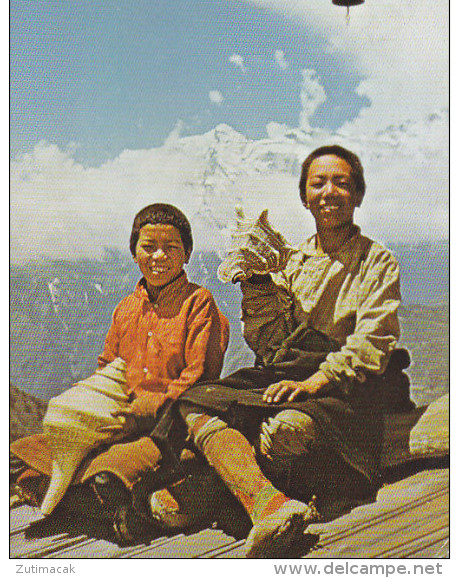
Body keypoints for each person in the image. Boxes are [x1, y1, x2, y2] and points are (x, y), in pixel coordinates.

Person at [148, 145, 413, 558]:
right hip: (289, 373)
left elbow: (373, 340)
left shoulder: (376, 260)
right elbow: (270, 347)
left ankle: (224, 494)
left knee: (282, 430)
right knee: (196, 402)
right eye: (318, 183)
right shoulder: (291, 260)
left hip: (348, 386)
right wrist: (255, 283)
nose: (329, 192)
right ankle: (270, 505)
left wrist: (314, 382)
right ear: (304, 197)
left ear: (358, 195)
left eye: (342, 183)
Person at [10, 203, 229, 543]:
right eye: (148, 247)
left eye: (170, 248)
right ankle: (113, 508)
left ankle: (127, 511)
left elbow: (199, 376)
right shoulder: (126, 309)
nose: (158, 256)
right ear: (133, 252)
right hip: (118, 421)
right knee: (24, 461)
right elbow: (107, 366)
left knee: (105, 477)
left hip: (170, 425)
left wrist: (150, 406)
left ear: (187, 253)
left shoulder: (199, 302)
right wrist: (93, 407)